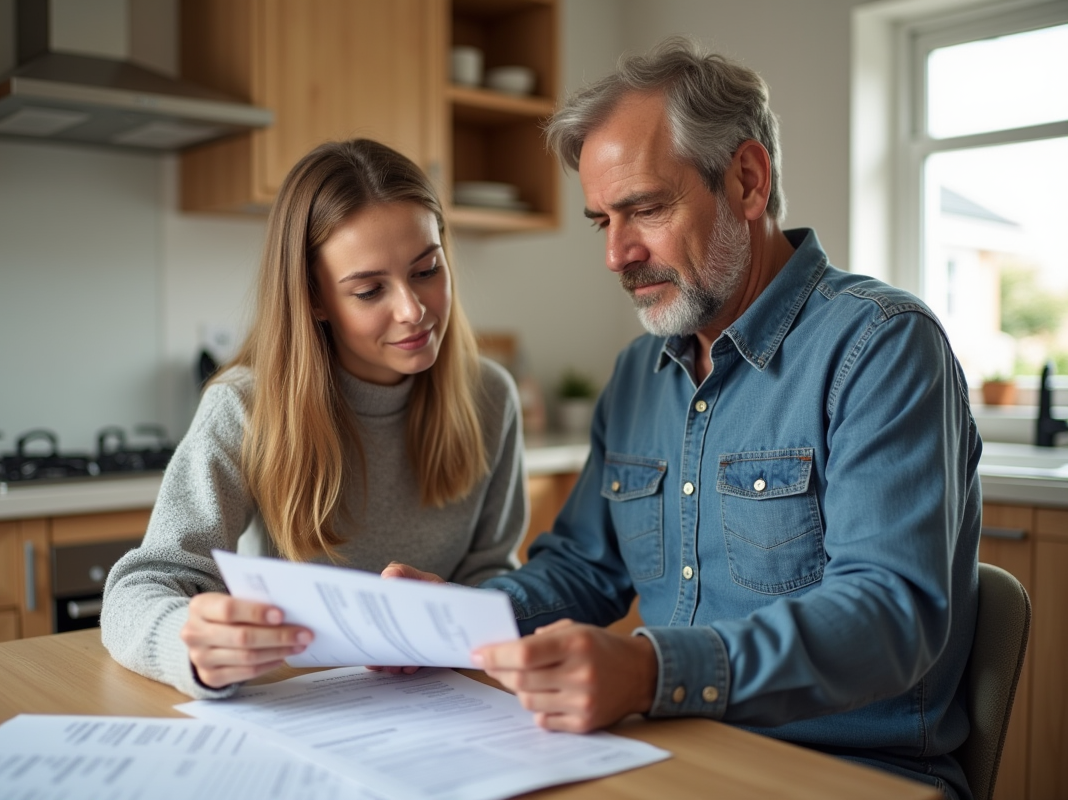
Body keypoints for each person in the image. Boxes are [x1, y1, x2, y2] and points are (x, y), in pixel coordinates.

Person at [384, 37, 980, 799]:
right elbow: (583, 570)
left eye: (645, 209)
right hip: (664, 755)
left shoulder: (881, 346)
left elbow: (890, 615)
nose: (616, 254)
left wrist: (653, 670)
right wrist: (459, 618)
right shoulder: (639, 373)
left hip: (849, 774)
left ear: (747, 181)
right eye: (602, 220)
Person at [102, 139, 527, 699]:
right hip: (295, 706)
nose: (413, 309)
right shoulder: (246, 407)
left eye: (426, 270)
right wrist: (192, 645)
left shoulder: (490, 398)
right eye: (370, 289)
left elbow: (494, 575)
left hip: (435, 704)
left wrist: (456, 614)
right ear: (315, 298)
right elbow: (141, 586)